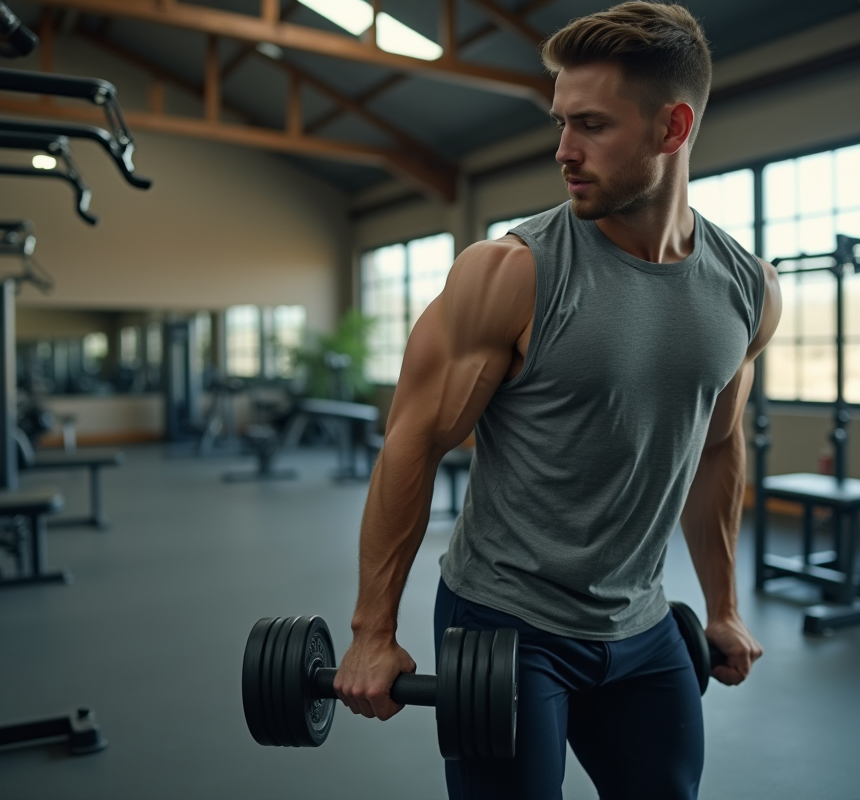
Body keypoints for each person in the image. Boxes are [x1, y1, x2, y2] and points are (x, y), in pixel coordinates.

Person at [334, 3, 781, 797]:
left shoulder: (747, 289)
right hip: (504, 622)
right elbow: (413, 438)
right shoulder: (508, 272)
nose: (563, 151)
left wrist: (722, 606)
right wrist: (374, 631)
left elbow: (716, 444)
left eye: (592, 125)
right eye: (560, 122)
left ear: (672, 128)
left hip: (643, 626)